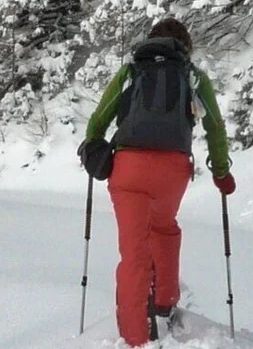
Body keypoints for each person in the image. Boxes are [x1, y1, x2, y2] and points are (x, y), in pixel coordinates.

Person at [80, 17, 235, 346]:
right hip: (172, 169)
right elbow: (215, 127)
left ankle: (135, 337)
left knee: (134, 251)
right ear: (185, 46)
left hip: (129, 168)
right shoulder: (192, 76)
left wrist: (93, 148)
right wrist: (221, 172)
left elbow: (99, 117)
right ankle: (164, 303)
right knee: (164, 228)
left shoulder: (133, 70)